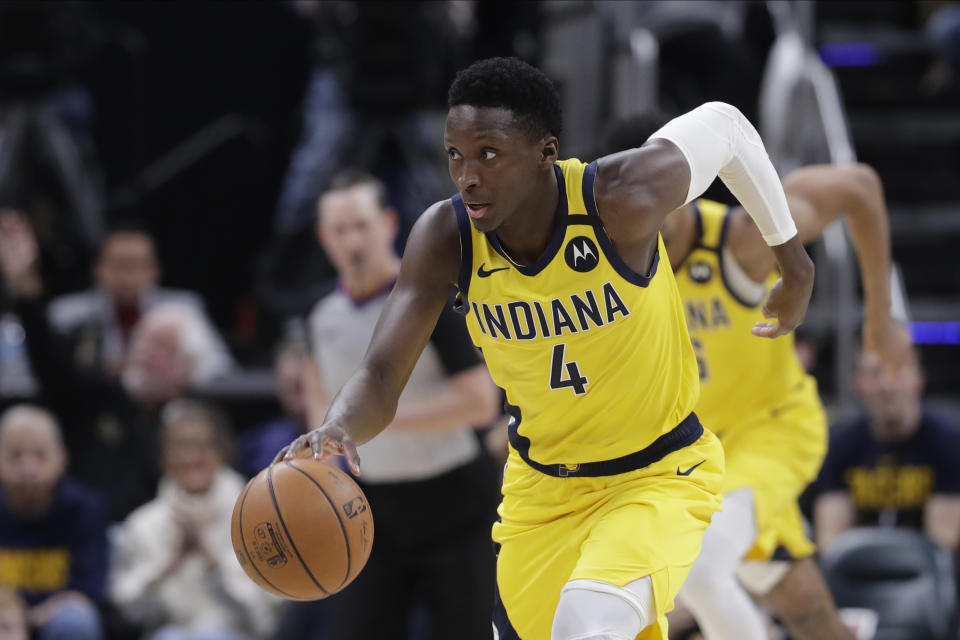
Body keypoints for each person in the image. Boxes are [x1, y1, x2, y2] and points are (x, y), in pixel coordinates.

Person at [279, 57, 816, 640]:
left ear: (545, 152)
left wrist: (793, 260)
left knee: (585, 625)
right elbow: (382, 374)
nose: (467, 176)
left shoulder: (620, 198)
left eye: (489, 153)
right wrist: (338, 427)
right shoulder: (444, 238)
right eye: (455, 154)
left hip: (656, 474)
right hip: (541, 492)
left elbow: (727, 126)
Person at [597, 114, 913, 639]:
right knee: (804, 608)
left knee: (697, 567)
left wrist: (880, 313)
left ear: (681, 183)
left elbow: (860, 186)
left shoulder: (742, 240)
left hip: (771, 430)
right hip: (688, 451)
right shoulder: (607, 260)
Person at [296, 170, 502, 640]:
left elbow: (480, 402)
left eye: (361, 225)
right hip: (367, 510)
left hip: (454, 501)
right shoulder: (319, 318)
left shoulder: (430, 299)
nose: (353, 239)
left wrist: (375, 419)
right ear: (323, 238)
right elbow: (318, 416)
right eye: (340, 229)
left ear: (389, 224)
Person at [0, 211, 227, 519]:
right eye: (143, 344)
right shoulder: (98, 388)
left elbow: (223, 374)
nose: (148, 355)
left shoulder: (184, 322)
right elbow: (57, 373)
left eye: (163, 349)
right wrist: (26, 285)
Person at [110, 399, 278, 640]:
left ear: (221, 451)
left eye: (201, 446)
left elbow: (264, 618)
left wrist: (210, 559)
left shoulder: (257, 517)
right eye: (180, 447)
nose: (190, 458)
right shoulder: (142, 524)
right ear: (163, 458)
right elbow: (129, 614)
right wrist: (170, 563)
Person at [814, 353, 960, 554]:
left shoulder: (948, 441)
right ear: (857, 383)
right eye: (874, 374)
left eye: (898, 373)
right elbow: (830, 541)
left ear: (919, 379)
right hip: (858, 572)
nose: (886, 386)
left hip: (926, 573)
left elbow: (942, 542)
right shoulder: (840, 443)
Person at [47, 222, 232, 380]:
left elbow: (223, 370)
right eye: (118, 265)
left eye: (137, 265)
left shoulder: (184, 310)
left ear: (155, 271)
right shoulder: (64, 315)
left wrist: (177, 370)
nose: (127, 276)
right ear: (98, 269)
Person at [0, 404, 108, 640]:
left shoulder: (85, 509)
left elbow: (88, 595)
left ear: (62, 459)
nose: (28, 469)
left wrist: (30, 618)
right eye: (15, 455)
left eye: (40, 455)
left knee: (76, 622)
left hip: (56, 619)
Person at [235, 337, 311, 478]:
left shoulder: (346, 437)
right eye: (288, 385)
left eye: (301, 386)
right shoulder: (262, 443)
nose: (298, 401)